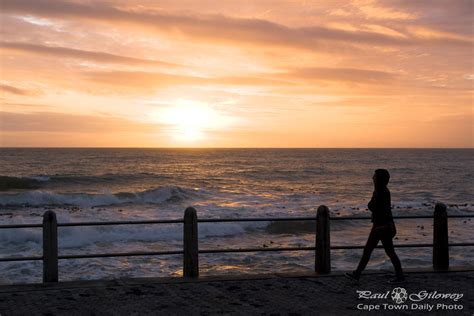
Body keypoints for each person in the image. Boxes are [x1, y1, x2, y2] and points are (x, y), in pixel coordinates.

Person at [345, 169, 404, 283]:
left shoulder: (381, 192)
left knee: (379, 251)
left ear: (379, 179)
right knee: (379, 251)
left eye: (375, 176)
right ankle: (357, 273)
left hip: (381, 227)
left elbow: (374, 206)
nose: (372, 177)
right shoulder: (382, 191)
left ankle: (358, 274)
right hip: (381, 226)